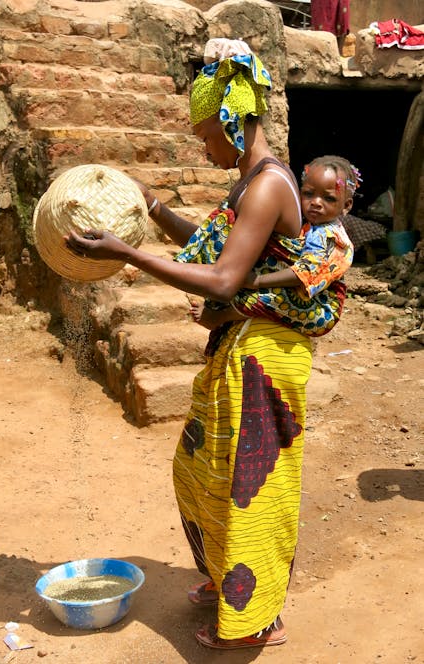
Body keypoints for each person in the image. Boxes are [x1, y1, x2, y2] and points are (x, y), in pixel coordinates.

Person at [65, 38, 337, 649]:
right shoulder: (249, 184)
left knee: (251, 487)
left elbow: (223, 278)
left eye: (207, 132)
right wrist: (152, 206)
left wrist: (129, 253)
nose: (203, 144)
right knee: (200, 470)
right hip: (239, 347)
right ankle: (227, 579)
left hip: (265, 357)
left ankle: (254, 620)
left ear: (235, 124)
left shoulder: (267, 186)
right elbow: (219, 245)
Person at [189, 155, 359, 332]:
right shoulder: (307, 226)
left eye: (329, 198)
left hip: (321, 310)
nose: (316, 202)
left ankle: (221, 316)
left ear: (346, 205)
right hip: (305, 297)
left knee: (270, 297)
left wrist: (258, 281)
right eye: (308, 194)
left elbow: (305, 273)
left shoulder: (334, 238)